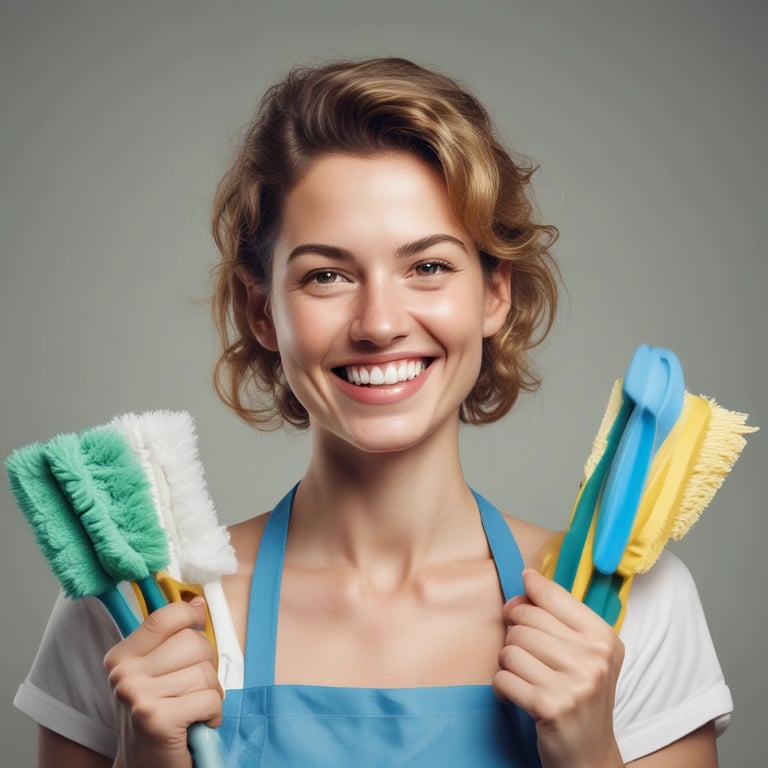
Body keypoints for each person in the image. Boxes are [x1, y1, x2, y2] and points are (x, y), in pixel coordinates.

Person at [15, 58, 732, 768]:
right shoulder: (135, 620)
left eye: (428, 266)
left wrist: (590, 754)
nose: (379, 323)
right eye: (327, 274)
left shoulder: (630, 613)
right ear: (262, 311)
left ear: (493, 294)